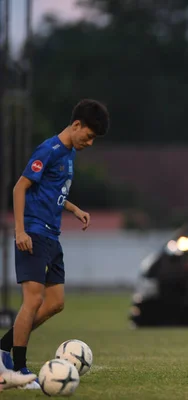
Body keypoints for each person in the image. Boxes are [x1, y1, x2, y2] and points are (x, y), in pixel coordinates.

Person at [0, 99, 109, 388]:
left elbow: (51, 190)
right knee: (33, 300)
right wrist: (20, 231)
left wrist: (73, 209)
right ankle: (20, 369)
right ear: (76, 125)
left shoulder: (70, 153)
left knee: (55, 303)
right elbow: (20, 187)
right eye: (88, 136)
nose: (90, 143)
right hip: (33, 232)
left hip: (52, 235)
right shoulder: (49, 150)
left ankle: (2, 348)